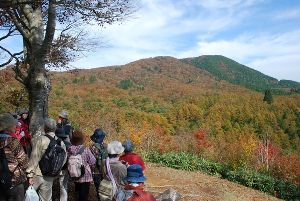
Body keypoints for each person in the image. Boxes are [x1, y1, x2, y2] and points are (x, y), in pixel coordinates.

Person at [26, 118, 67, 201]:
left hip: (37, 174)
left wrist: (29, 174)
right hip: (50, 176)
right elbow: (64, 159)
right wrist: (55, 170)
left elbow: (34, 158)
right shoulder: (61, 142)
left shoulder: (41, 139)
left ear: (45, 128)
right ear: (55, 128)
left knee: (30, 197)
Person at [0, 113, 29, 201]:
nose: (15, 126)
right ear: (8, 126)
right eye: (13, 124)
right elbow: (24, 162)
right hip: (14, 180)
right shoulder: (12, 141)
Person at [68, 130, 96, 201]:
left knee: (77, 191)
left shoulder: (69, 149)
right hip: (85, 176)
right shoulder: (85, 149)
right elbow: (93, 161)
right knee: (84, 195)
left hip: (74, 175)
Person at [89, 128, 108, 201]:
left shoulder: (92, 147)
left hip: (96, 171)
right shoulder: (106, 146)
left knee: (98, 189)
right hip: (105, 170)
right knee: (105, 189)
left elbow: (90, 160)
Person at [55, 128, 72, 201]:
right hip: (66, 168)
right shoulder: (69, 144)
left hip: (55, 168)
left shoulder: (54, 144)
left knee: (49, 184)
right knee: (64, 186)